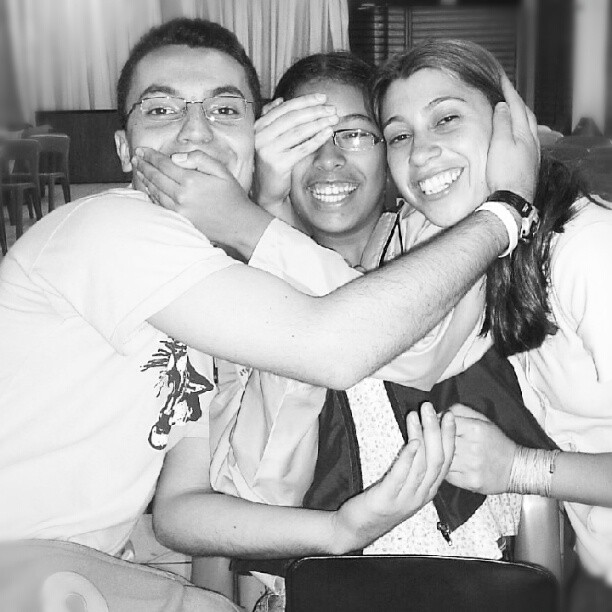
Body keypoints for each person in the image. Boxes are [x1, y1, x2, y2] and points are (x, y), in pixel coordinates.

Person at [0, 17, 538, 608]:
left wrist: (340, 531)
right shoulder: (114, 230)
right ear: (124, 148)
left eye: (223, 109)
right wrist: (508, 208)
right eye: (161, 109)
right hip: (32, 565)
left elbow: (183, 503)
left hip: (80, 565)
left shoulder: (212, 282)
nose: (195, 132)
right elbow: (340, 347)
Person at [366, 40, 612, 611]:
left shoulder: (588, 251)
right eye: (399, 135)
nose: (420, 153)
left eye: (446, 119)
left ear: (512, 125)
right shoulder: (495, 248)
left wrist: (518, 468)